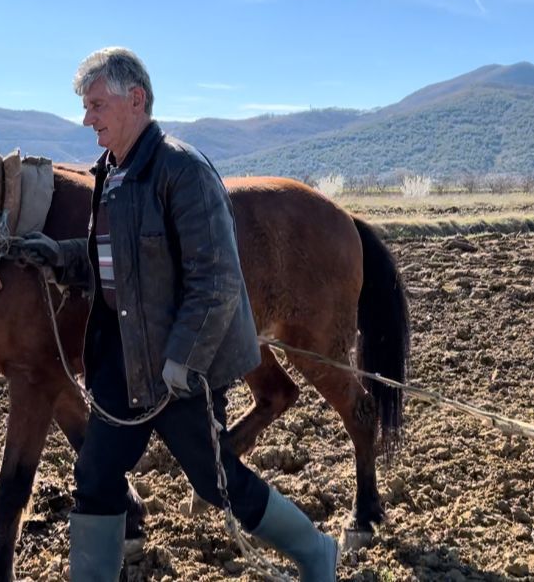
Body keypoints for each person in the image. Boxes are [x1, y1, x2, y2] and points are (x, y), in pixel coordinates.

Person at [17, 47, 338, 581]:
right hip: (124, 356)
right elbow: (116, 260)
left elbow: (217, 281)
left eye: (96, 104)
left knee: (217, 484)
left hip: (179, 365)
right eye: (85, 106)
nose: (86, 118)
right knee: (95, 472)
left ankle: (314, 551)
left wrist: (183, 360)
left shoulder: (182, 171)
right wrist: (61, 256)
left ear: (135, 99)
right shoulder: (112, 174)